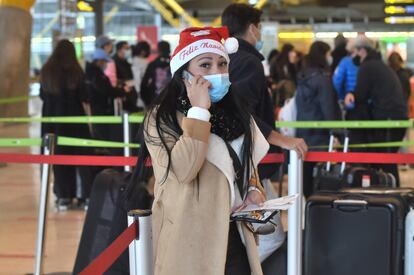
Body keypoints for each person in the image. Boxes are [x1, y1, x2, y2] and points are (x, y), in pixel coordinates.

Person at [141, 26, 270, 275]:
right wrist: (199, 112)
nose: (217, 72)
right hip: (189, 239)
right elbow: (183, 170)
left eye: (222, 64)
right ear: (184, 74)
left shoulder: (235, 112)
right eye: (205, 65)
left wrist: (254, 189)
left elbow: (246, 163)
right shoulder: (161, 119)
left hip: (235, 236)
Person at [221, 3, 307, 179]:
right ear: (252, 28)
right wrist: (284, 141)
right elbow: (241, 113)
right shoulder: (248, 62)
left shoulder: (224, 59)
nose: (260, 33)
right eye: (259, 28)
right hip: (247, 162)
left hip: (227, 158)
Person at [345, 37, 408, 186]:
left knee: (386, 161)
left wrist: (351, 94)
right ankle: (392, 198)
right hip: (395, 118)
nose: (352, 57)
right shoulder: (379, 65)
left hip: (387, 119)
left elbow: (360, 94)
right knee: (388, 160)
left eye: (354, 52)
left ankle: (393, 198)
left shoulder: (367, 67)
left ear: (362, 50)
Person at [40, 40, 93, 210]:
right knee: (82, 158)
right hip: (75, 120)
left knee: (59, 159)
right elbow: (84, 96)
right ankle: (85, 196)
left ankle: (64, 196)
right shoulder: (76, 71)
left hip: (52, 122)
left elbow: (42, 95)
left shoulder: (46, 72)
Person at [295, 41, 341, 197]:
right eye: (328, 53)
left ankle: (309, 201)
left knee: (307, 170)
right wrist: (336, 133)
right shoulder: (323, 79)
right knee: (322, 175)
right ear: (323, 55)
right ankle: (320, 204)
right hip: (321, 134)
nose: (330, 57)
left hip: (304, 130)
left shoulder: (303, 76)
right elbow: (328, 109)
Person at [85, 48, 130, 141]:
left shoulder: (93, 72)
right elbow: (106, 90)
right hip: (99, 109)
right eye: (104, 61)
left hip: (99, 108)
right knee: (102, 135)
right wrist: (122, 91)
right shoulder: (95, 74)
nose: (105, 64)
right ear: (99, 61)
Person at [105, 41, 139, 113]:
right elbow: (112, 80)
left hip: (130, 96)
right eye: (126, 48)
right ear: (119, 50)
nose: (129, 50)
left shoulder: (126, 62)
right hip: (120, 97)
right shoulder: (113, 62)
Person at [140, 41, 171, 107]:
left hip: (155, 99)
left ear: (158, 50)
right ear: (169, 50)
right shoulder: (174, 63)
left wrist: (146, 101)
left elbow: (144, 84)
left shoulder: (153, 64)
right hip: (172, 98)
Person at [269, 43, 298, 108]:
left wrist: (292, 64)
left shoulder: (292, 63)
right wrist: (273, 83)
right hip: (280, 89)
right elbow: (272, 74)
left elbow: (295, 77)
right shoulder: (277, 60)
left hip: (290, 90)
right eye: (292, 51)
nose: (294, 53)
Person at [131, 41, 151, 108]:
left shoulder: (132, 60)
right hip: (142, 89)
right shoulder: (144, 62)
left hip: (133, 90)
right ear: (143, 51)